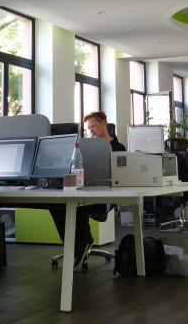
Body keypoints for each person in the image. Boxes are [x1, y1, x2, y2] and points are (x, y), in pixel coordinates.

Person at [50, 110, 125, 270]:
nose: (91, 131)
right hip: (83, 191)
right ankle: (78, 245)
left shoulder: (118, 148)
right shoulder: (84, 149)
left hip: (105, 196)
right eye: (88, 128)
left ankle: (81, 245)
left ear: (104, 123)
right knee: (56, 204)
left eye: (93, 126)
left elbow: (120, 178)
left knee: (74, 206)